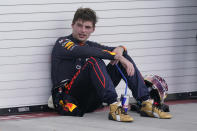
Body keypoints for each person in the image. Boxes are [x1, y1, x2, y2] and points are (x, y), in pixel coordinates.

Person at [51, 7, 172, 122]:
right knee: (95, 60)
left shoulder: (91, 44)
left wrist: (121, 49)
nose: (83, 30)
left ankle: (146, 103)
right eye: (79, 25)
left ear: (93, 29)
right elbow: (82, 51)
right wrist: (115, 55)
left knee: (122, 56)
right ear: (72, 25)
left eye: (87, 27)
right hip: (71, 98)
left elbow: (114, 50)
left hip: (92, 100)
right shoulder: (63, 42)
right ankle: (114, 106)